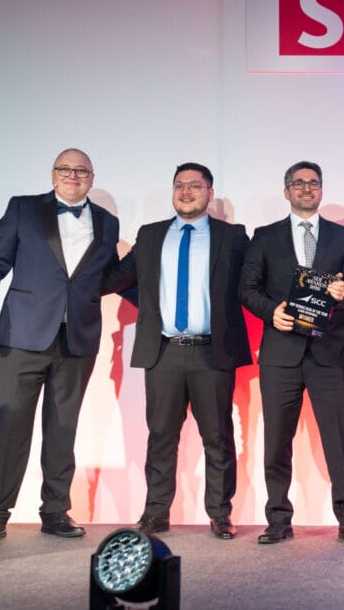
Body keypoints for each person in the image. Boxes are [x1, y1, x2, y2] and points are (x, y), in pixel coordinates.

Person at [0, 148, 120, 545]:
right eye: (65, 169)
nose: (73, 175)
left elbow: (104, 279)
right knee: (11, 427)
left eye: (82, 170)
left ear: (92, 177)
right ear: (53, 175)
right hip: (23, 335)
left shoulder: (107, 222)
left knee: (63, 430)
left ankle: (55, 512)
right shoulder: (23, 209)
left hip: (77, 339)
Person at [104, 163, 251, 540]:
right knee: (161, 437)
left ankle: (220, 514)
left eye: (195, 186)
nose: (186, 192)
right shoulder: (151, 236)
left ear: (209, 194)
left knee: (218, 438)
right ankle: (156, 514)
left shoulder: (232, 236)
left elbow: (251, 284)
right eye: (179, 186)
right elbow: (119, 279)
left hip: (211, 353)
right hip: (164, 352)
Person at [238, 161, 344, 544]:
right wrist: (269, 312)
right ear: (286, 192)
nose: (306, 189)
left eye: (313, 183)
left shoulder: (343, 239)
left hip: (328, 353)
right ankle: (278, 517)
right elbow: (247, 288)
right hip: (280, 353)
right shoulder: (264, 236)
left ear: (321, 190)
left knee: (340, 439)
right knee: (276, 439)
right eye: (298, 183)